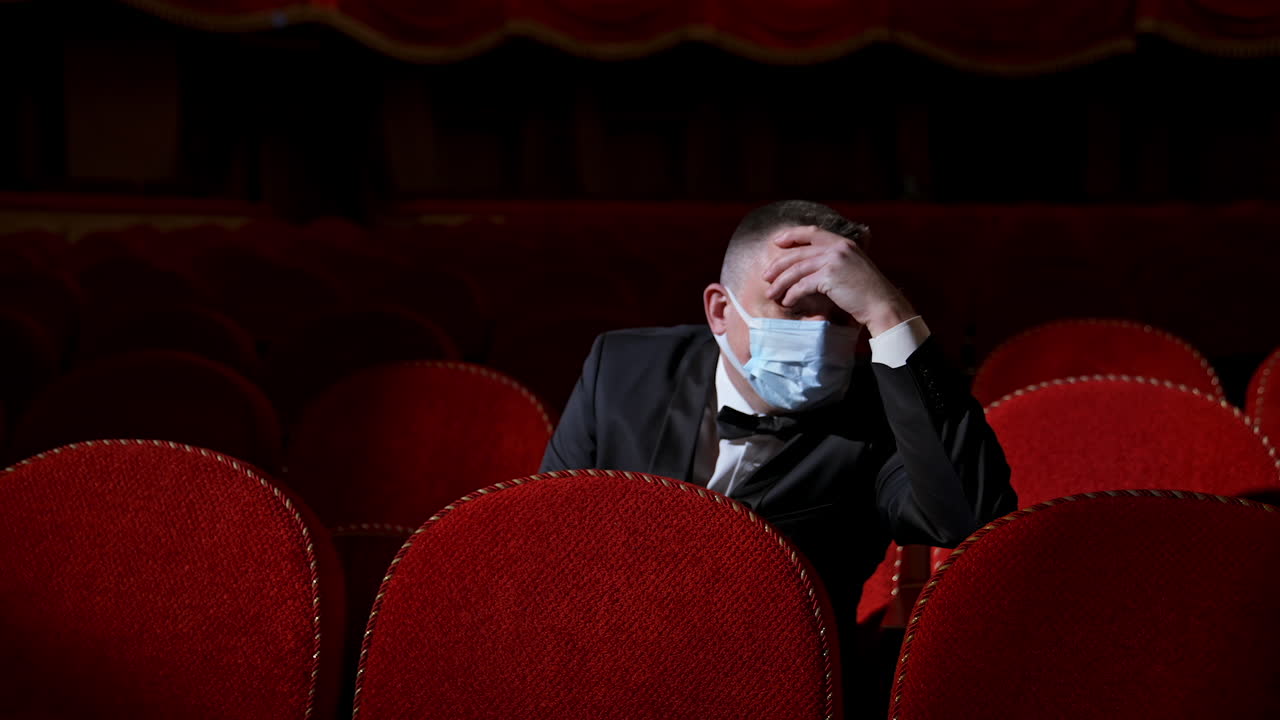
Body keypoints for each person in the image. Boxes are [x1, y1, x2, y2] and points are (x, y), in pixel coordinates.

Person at [540, 200, 1015, 710]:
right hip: (615, 673)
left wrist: (888, 311)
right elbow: (554, 538)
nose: (818, 332)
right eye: (792, 307)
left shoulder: (879, 420)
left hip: (789, 688)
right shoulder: (624, 369)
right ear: (720, 311)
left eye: (839, 315)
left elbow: (968, 519)